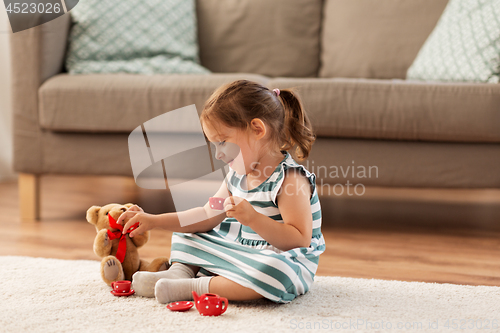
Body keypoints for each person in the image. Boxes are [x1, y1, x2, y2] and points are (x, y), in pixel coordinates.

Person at [118, 79, 325, 304]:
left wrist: (254, 219)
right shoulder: (235, 175)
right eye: (214, 145)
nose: (218, 154)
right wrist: (154, 221)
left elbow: (299, 240)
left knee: (275, 271)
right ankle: (179, 272)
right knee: (189, 231)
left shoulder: (290, 180)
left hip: (275, 256)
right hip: (237, 249)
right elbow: (206, 214)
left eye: (223, 142)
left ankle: (193, 286)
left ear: (257, 129)